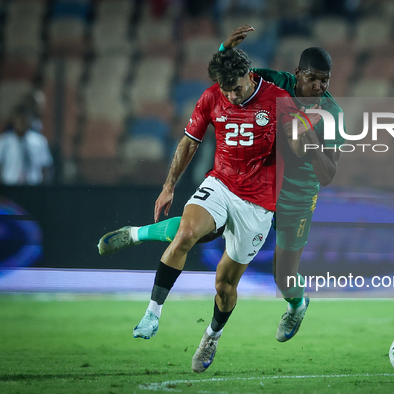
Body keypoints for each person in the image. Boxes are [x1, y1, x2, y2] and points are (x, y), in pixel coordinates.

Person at [98, 25, 342, 344]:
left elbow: (328, 174)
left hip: (297, 194)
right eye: (313, 79)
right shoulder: (275, 82)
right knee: (198, 231)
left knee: (283, 276)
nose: (319, 87)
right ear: (297, 73)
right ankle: (136, 234)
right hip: (251, 185)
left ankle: (297, 304)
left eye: (325, 81)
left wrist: (308, 141)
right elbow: (236, 78)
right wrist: (223, 50)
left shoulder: (332, 113)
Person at [0, 105, 54, 185]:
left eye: (25, 120)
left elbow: (46, 166)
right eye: (20, 120)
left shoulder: (40, 141)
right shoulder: (3, 141)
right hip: (9, 187)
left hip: (34, 188)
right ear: (14, 121)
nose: (22, 123)